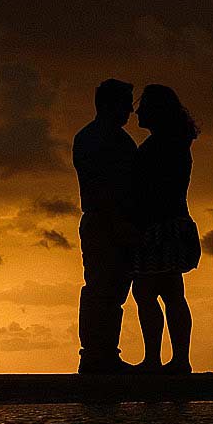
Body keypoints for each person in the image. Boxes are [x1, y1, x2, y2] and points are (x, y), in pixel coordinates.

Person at [129, 85, 201, 374]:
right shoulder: (176, 143)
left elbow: (149, 190)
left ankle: (155, 359)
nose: (137, 111)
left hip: (157, 225)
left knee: (147, 292)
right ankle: (178, 360)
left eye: (144, 106)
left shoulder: (160, 146)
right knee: (172, 293)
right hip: (173, 222)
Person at [71, 79, 138, 374]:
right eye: (126, 104)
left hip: (103, 219)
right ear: (110, 105)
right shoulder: (109, 140)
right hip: (107, 220)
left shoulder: (91, 137)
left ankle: (100, 353)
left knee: (105, 289)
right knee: (105, 289)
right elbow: (106, 187)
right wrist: (120, 222)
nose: (130, 111)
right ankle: (99, 354)